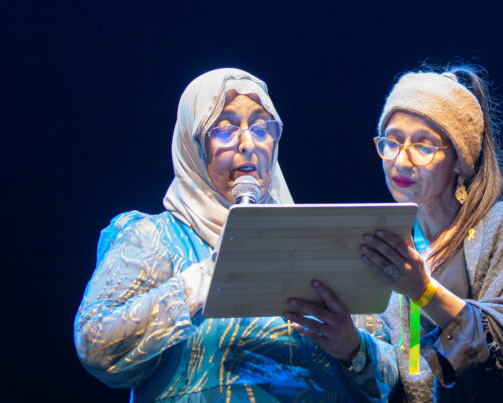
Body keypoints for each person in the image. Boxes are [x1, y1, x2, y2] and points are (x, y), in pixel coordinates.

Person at [74, 68, 390, 402]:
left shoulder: (316, 244)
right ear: (193, 144)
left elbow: (402, 375)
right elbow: (97, 347)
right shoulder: (156, 239)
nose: (248, 143)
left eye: (261, 126)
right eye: (223, 129)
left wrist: (354, 348)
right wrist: (210, 276)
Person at [284, 65, 503, 402]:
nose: (401, 160)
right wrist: (352, 346)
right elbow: (394, 378)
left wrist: (422, 291)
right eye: (391, 142)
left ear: (459, 159)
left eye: (423, 146)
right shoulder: (385, 242)